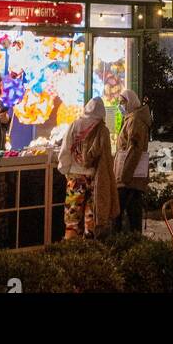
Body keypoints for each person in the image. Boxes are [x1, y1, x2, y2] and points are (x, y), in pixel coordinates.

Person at [58, 96, 119, 239]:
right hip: (94, 177)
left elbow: (65, 149)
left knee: (72, 213)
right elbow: (106, 158)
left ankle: (71, 246)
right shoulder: (102, 129)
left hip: (74, 176)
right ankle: (90, 245)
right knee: (91, 213)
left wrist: (65, 170)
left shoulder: (75, 125)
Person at [114, 88, 151, 233]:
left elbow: (134, 149)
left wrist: (124, 176)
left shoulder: (135, 120)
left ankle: (126, 246)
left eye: (122, 102)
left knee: (125, 214)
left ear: (129, 102)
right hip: (131, 177)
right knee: (132, 214)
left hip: (129, 178)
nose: (120, 106)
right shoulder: (132, 118)